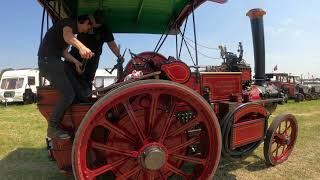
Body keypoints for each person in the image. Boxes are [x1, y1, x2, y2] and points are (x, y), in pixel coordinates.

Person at [38, 15, 95, 139]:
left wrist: (76, 62)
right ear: (84, 21)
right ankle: (52, 127)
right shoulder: (69, 24)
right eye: (88, 26)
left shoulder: (69, 30)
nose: (88, 30)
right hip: (48, 61)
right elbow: (68, 36)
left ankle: (78, 114)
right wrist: (82, 47)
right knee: (68, 94)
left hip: (53, 61)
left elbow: (64, 53)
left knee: (77, 90)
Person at [64, 10, 124, 102]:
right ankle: (71, 101)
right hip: (75, 56)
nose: (90, 28)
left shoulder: (105, 29)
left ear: (100, 23)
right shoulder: (83, 22)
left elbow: (112, 44)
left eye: (94, 26)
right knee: (70, 77)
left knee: (87, 80)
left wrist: (119, 56)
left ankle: (85, 102)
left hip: (92, 60)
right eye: (90, 25)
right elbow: (69, 34)